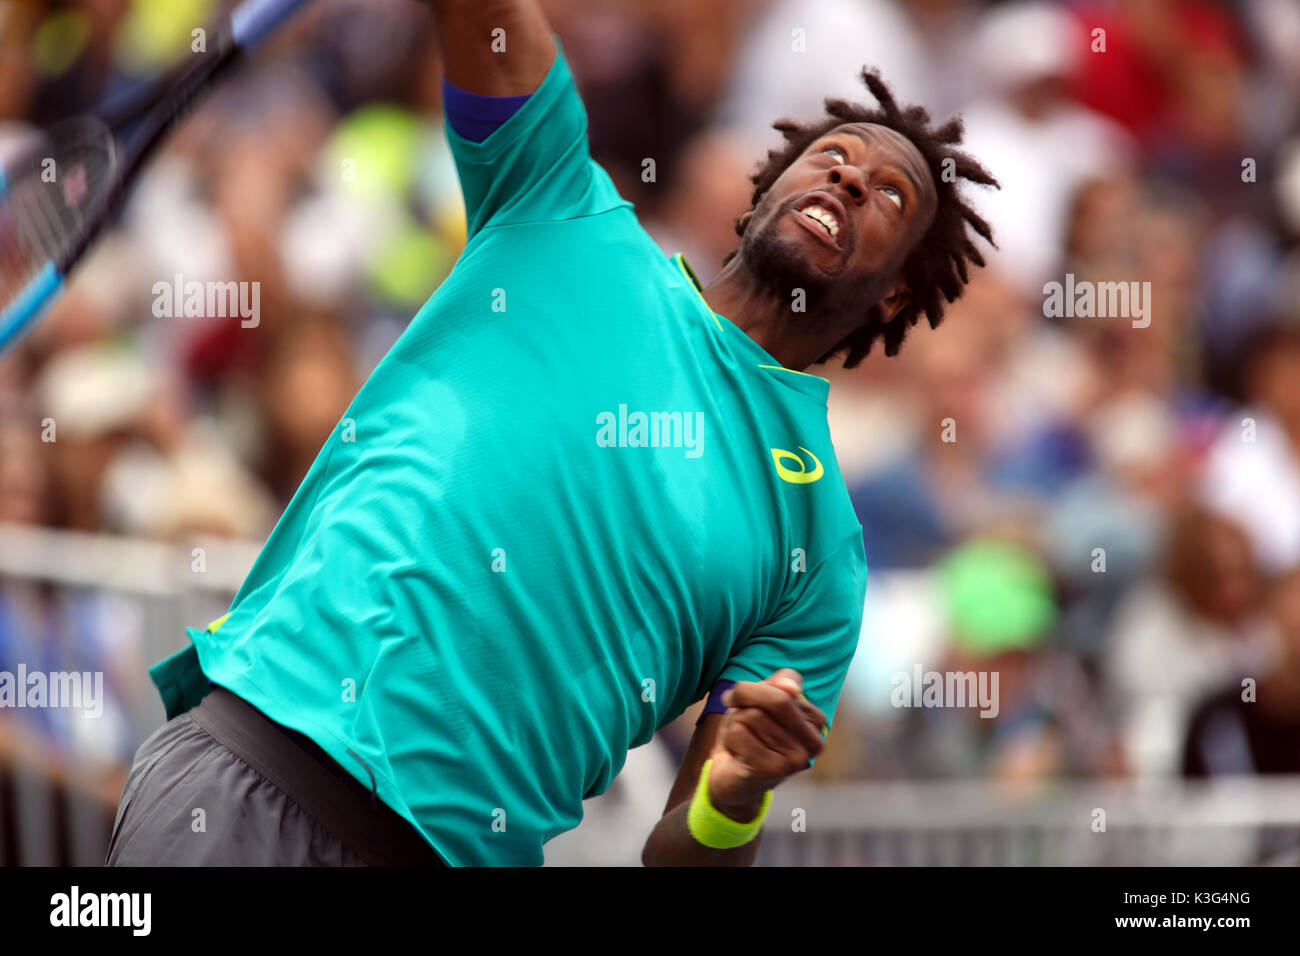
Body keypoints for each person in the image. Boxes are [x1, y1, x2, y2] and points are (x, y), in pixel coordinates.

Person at [106, 0, 997, 867]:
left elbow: (686, 848)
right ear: (765, 190)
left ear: (896, 295)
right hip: (248, 770)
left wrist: (735, 798)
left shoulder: (820, 550)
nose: (845, 177)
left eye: (888, 192)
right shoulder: (560, 207)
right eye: (831, 156)